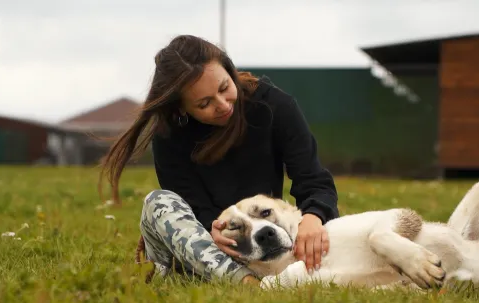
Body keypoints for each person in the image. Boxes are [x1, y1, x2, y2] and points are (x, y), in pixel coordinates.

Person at [98, 34, 339, 286]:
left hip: (261, 247)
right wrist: (208, 229)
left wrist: (313, 217)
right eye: (204, 103)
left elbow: (314, 181)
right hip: (200, 246)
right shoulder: (168, 135)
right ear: (182, 109)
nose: (223, 105)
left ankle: (254, 279)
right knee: (158, 202)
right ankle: (247, 284)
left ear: (230, 70)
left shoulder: (275, 106)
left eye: (225, 88)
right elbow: (190, 205)